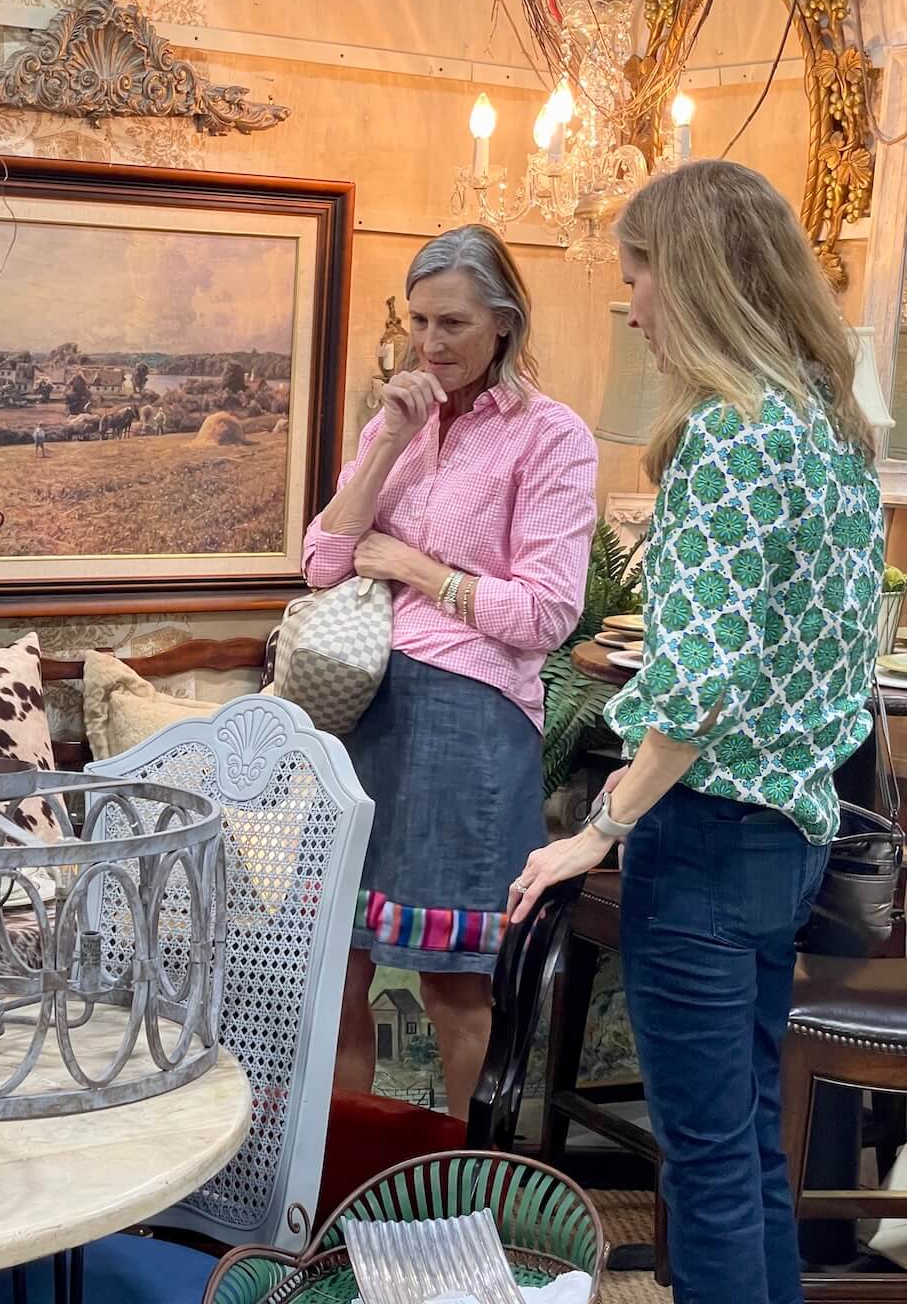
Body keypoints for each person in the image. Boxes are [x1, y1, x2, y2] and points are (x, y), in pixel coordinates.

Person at [510, 160, 882, 1303]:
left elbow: (695, 683)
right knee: (746, 1146)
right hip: (785, 840)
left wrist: (594, 832)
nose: (630, 303)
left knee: (709, 1162)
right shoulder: (831, 431)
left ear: (702, 278)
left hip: (710, 840)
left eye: (639, 275)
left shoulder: (730, 436)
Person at [302, 223, 597, 1120]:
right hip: (357, 710)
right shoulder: (395, 424)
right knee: (335, 969)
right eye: (419, 321)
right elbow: (321, 562)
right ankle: (348, 1188)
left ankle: (464, 1196)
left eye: (454, 324)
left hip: (467, 726)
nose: (431, 344)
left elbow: (546, 613)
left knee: (452, 989)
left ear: (504, 324)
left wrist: (415, 570)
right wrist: (390, 440)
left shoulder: (553, 439)